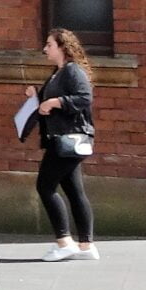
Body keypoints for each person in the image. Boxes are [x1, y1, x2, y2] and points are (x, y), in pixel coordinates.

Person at [26, 28, 97, 260]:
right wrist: (35, 97)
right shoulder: (57, 73)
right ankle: (86, 247)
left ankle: (64, 241)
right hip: (62, 139)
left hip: (68, 139)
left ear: (63, 48)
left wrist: (56, 101)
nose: (45, 49)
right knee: (74, 192)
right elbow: (47, 103)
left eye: (49, 45)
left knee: (45, 187)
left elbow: (84, 97)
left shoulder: (72, 71)